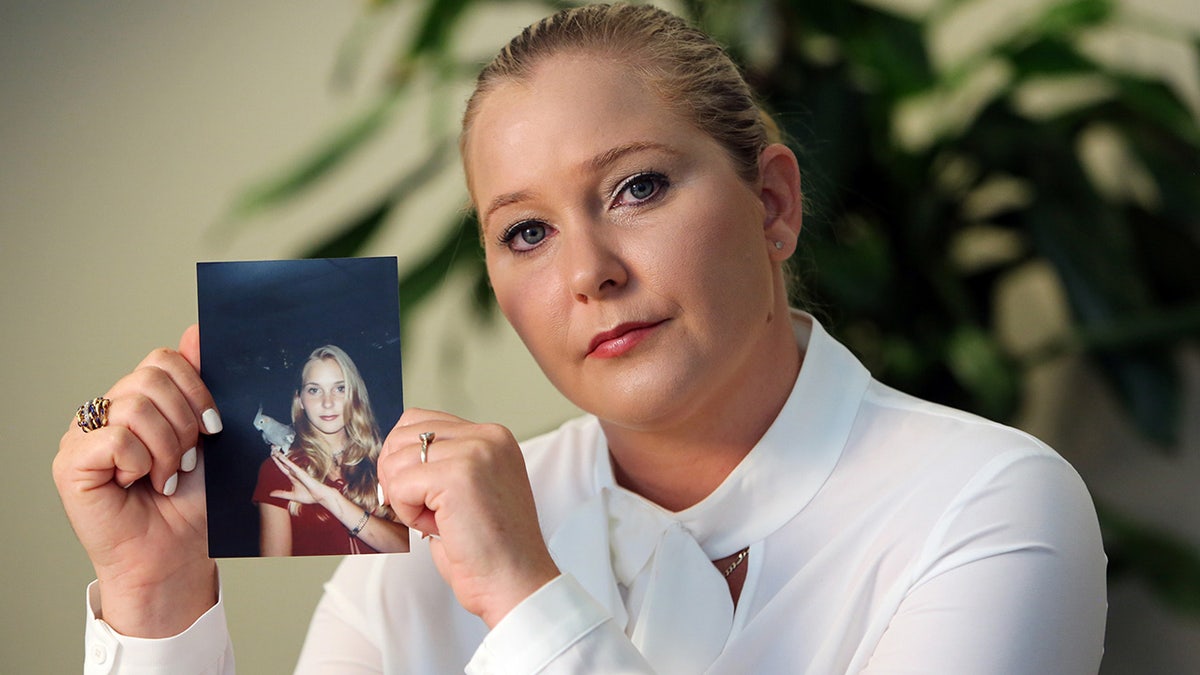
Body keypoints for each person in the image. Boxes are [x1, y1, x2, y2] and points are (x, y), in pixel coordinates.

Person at [52, 3, 1107, 673]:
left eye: (637, 187)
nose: (587, 271)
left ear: (774, 204)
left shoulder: (990, 500)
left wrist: (523, 597)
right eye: (525, 232)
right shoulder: (410, 548)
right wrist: (155, 604)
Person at [254, 344, 409, 556]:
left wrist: (331, 499)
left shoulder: (382, 459)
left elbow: (411, 548)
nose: (328, 403)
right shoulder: (280, 470)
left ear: (354, 395)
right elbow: (273, 572)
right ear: (300, 400)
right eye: (314, 390)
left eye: (340, 388)